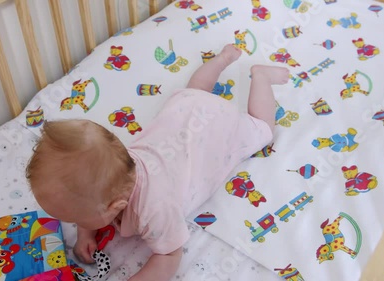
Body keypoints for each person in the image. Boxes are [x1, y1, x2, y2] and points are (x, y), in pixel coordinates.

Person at [26, 44, 289, 281]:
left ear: (113, 207)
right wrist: (86, 233)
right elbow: (88, 192)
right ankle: (221, 59)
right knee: (195, 90)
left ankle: (262, 77)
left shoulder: (155, 210)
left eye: (74, 219)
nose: (69, 224)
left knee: (262, 127)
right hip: (186, 107)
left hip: (218, 125)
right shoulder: (113, 167)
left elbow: (168, 257)